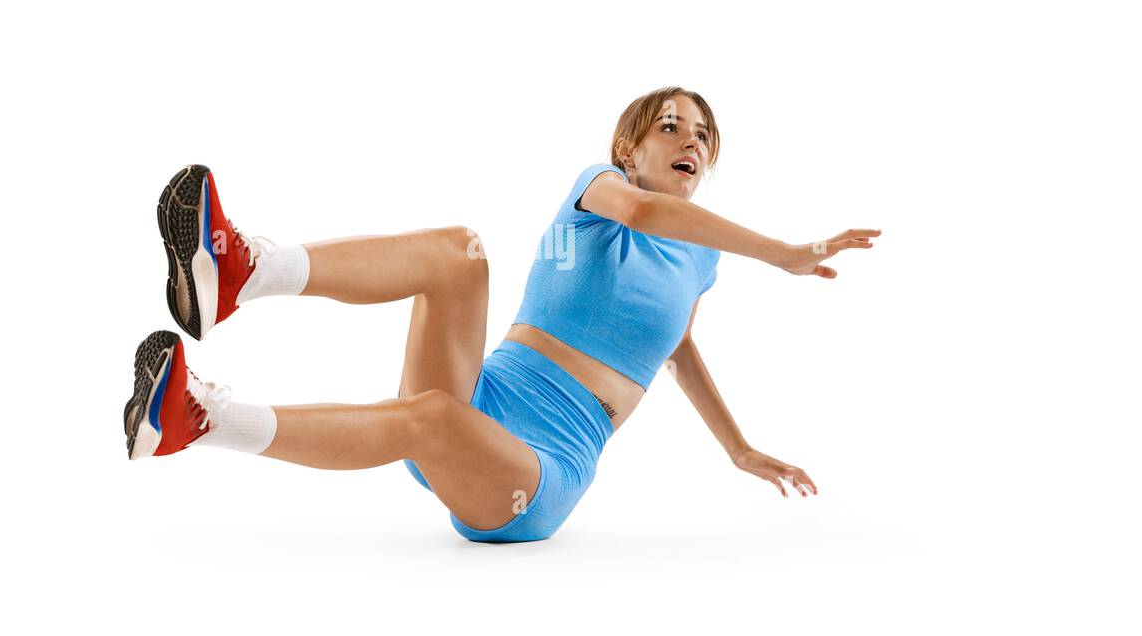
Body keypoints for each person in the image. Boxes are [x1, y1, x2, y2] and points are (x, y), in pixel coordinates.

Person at [122, 86, 881, 543]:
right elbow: (645, 213)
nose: (692, 139)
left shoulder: (702, 259)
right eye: (672, 125)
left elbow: (677, 349)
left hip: (537, 473)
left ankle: (202, 422)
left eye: (704, 135)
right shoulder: (602, 190)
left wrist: (739, 449)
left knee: (427, 416)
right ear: (630, 145)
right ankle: (242, 274)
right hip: (484, 394)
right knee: (462, 250)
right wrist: (784, 251)